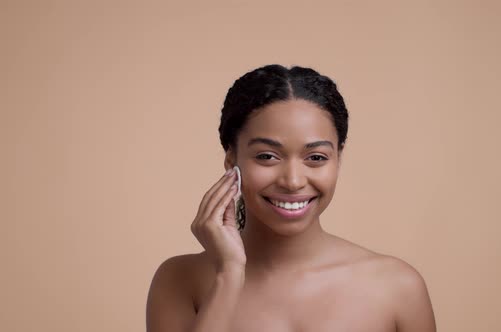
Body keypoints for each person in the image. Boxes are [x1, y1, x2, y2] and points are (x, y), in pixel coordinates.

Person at [146, 64, 436, 332]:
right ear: (231, 158)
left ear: (339, 158)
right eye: (267, 156)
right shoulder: (180, 281)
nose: (293, 181)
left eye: (316, 157)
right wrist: (229, 276)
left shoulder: (398, 287)